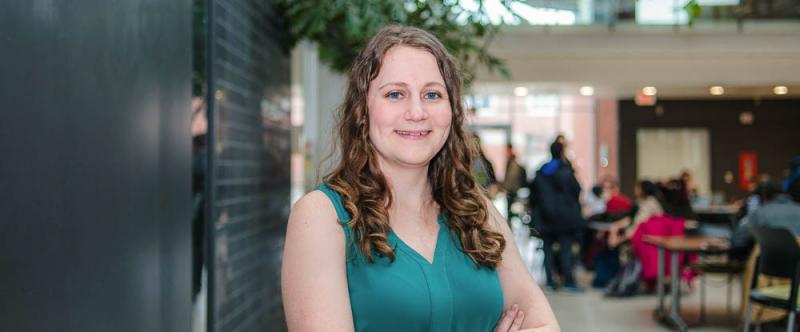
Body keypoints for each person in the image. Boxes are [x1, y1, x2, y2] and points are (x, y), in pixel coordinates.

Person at [281, 25, 558, 332]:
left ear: (451, 110)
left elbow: (544, 324)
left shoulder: (476, 211)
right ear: (362, 110)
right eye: (395, 94)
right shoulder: (321, 217)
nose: (416, 111)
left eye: (432, 94)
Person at [529, 139, 585, 292]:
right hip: (565, 218)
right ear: (562, 152)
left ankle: (550, 281)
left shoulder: (541, 171)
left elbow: (533, 195)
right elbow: (577, 191)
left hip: (546, 218)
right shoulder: (566, 171)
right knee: (566, 249)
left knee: (547, 248)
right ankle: (567, 281)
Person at [607, 180, 666, 247]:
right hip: (643, 234)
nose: (635, 189)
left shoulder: (650, 203)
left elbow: (638, 224)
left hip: (650, 238)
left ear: (643, 189)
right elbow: (633, 218)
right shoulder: (641, 201)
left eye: (637, 187)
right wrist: (616, 225)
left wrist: (620, 239)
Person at [502, 143, 527, 219]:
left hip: (512, 190)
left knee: (511, 211)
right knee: (510, 210)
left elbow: (511, 178)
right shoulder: (512, 162)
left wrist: (507, 188)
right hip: (512, 189)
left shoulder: (512, 163)